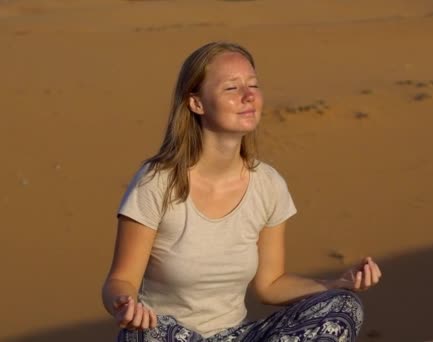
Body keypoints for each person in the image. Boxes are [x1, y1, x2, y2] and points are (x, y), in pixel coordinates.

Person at [101, 41, 382, 342]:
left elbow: (270, 284)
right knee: (144, 335)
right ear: (196, 103)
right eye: (232, 88)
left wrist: (336, 283)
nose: (249, 96)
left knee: (343, 307)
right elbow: (121, 280)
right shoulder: (156, 182)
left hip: (235, 336)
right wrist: (125, 305)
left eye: (253, 85)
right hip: (166, 333)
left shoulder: (268, 184)